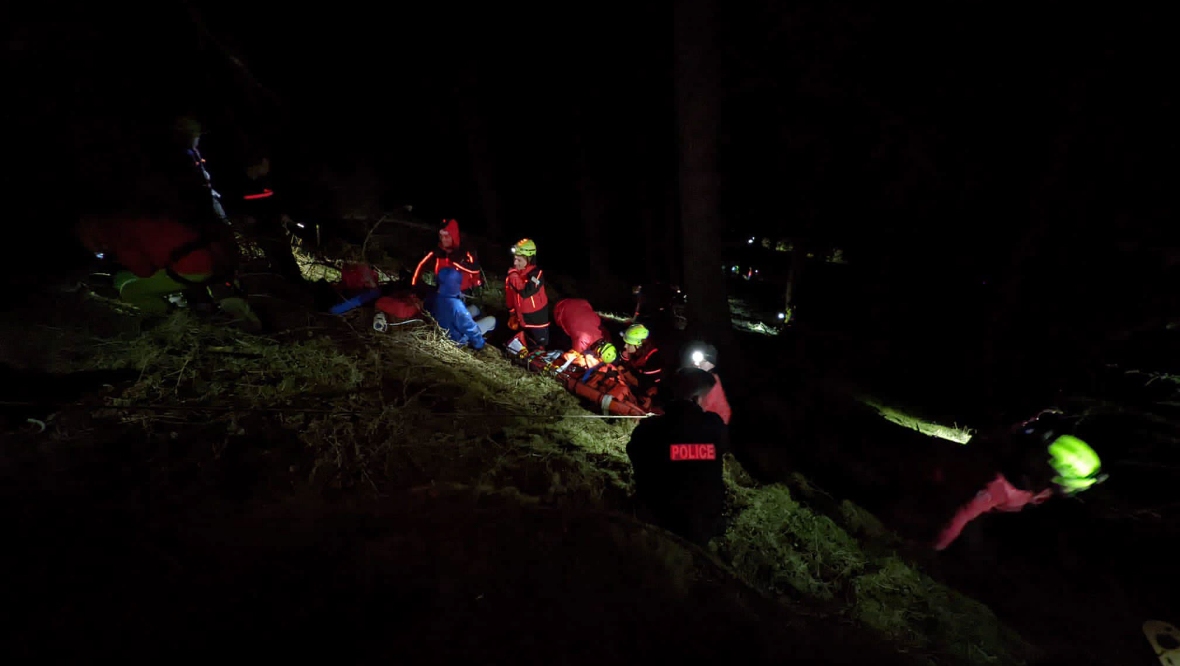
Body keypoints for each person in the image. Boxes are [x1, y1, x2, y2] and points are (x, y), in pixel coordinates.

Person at [933, 410, 1106, 551]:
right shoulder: (1009, 485)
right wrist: (935, 547)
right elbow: (962, 514)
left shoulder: (1037, 480)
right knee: (963, 508)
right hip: (972, 484)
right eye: (1070, 486)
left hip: (990, 490)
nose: (1069, 490)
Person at [75, 215, 256, 328]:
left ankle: (174, 321)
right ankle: (192, 305)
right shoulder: (133, 219)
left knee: (130, 290)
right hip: (207, 255)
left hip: (193, 266)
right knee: (130, 278)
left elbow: (144, 270)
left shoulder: (118, 235)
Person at [626, 367, 730, 546]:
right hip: (699, 525)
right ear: (696, 399)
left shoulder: (647, 430)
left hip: (654, 519)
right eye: (709, 400)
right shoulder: (714, 427)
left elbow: (634, 453)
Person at [424, 268, 496, 351]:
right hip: (456, 340)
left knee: (475, 309)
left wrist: (456, 294)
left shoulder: (432, 296)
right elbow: (470, 328)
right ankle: (489, 339)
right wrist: (480, 345)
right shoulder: (456, 305)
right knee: (492, 320)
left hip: (441, 329)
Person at [411, 219, 482, 293]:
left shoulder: (465, 249)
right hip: (441, 288)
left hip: (461, 291)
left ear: (453, 236)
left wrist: (457, 261)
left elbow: (475, 269)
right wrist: (414, 284)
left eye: (446, 236)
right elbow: (421, 264)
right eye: (441, 236)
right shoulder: (439, 250)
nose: (444, 239)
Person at [505, 238, 550, 350]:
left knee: (539, 348)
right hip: (522, 319)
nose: (515, 263)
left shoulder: (536, 275)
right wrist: (512, 314)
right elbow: (510, 295)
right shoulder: (513, 275)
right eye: (515, 259)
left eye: (519, 260)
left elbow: (526, 292)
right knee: (524, 347)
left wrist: (513, 276)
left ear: (529, 259)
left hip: (537, 320)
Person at [553, 298, 615, 368]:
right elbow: (571, 355)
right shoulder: (582, 341)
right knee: (564, 346)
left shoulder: (603, 333)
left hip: (581, 303)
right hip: (561, 308)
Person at [683, 342, 731, 425]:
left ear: (711, 364)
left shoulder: (712, 381)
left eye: (703, 361)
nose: (699, 364)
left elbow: (707, 406)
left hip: (713, 425)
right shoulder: (700, 377)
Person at [619, 324, 665, 397]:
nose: (625, 346)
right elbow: (622, 361)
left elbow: (643, 384)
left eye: (629, 344)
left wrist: (625, 373)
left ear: (639, 346)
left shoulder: (653, 360)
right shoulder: (631, 351)